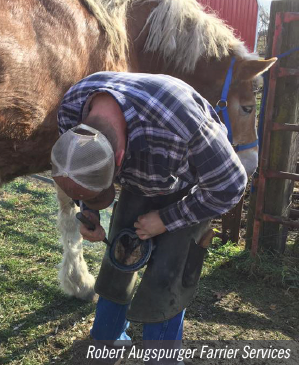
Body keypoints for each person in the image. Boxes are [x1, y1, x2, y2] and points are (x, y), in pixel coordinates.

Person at [51, 72, 247, 364]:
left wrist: (168, 218)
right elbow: (79, 166)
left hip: (189, 187)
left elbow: (230, 184)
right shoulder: (72, 107)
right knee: (119, 258)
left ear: (118, 159)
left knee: (167, 278)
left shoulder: (183, 121)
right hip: (139, 177)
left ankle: (161, 356)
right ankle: (108, 340)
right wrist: (88, 209)